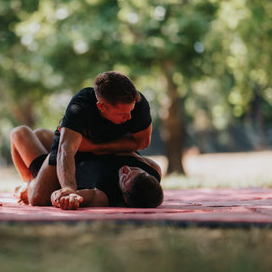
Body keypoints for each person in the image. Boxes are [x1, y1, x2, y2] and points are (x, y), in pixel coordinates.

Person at [12, 71, 153, 207]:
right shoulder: (80, 105)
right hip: (72, 147)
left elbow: (142, 142)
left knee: (41, 136)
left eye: (131, 110)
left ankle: (40, 148)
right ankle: (31, 182)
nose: (129, 117)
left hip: (93, 149)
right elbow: (65, 150)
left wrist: (94, 147)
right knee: (38, 199)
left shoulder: (139, 105)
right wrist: (68, 188)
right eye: (123, 113)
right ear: (101, 106)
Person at [10, 126, 163, 209]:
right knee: (41, 134)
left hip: (60, 168)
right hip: (80, 152)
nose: (125, 169)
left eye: (124, 178)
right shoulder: (152, 168)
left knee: (19, 133)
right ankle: (31, 182)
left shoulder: (104, 196)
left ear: (124, 197)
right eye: (135, 170)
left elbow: (81, 196)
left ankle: (31, 181)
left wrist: (69, 199)